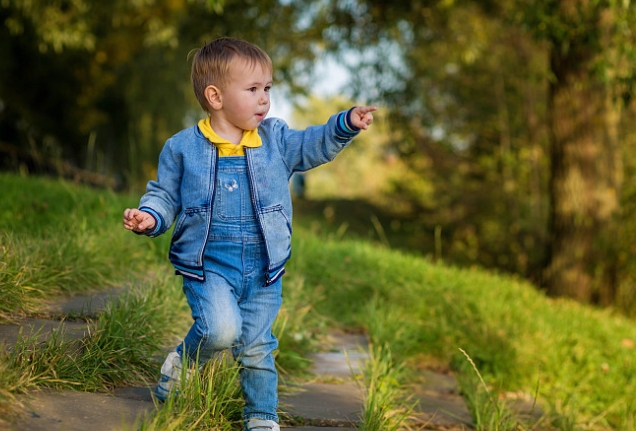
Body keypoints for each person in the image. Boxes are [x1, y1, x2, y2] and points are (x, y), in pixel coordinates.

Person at [122, 36, 376, 431]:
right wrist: (151, 217)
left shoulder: (276, 140)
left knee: (257, 346)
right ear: (216, 96)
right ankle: (184, 362)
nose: (264, 99)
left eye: (268, 89)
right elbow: (165, 195)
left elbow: (313, 144)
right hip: (208, 264)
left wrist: (344, 125)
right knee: (221, 331)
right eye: (254, 89)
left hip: (263, 269)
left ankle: (261, 416)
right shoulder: (183, 148)